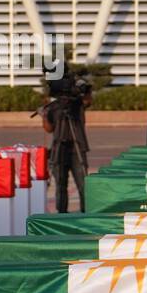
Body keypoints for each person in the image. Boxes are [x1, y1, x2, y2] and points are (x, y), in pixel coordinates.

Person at [41, 78, 92, 213]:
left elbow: (88, 100)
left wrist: (85, 88)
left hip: (77, 147)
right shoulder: (54, 106)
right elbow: (49, 128)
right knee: (60, 185)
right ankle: (62, 213)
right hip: (60, 148)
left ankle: (86, 211)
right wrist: (45, 115)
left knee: (83, 185)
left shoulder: (77, 103)